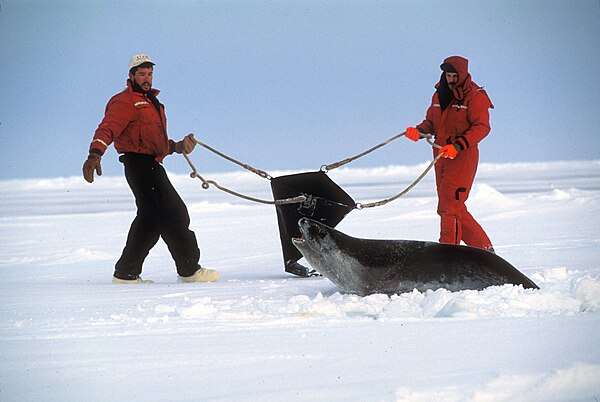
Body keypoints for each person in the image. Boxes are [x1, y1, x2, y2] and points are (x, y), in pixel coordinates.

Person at [82, 53, 219, 283]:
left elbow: (153, 142)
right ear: (131, 75)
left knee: (150, 220)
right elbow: (108, 128)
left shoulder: (151, 102)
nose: (147, 78)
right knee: (175, 213)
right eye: (142, 74)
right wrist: (95, 153)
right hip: (139, 166)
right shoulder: (125, 101)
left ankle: (126, 273)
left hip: (150, 164)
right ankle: (189, 270)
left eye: (149, 74)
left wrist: (177, 147)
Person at [405, 55, 495, 252]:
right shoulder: (439, 95)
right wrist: (419, 132)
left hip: (462, 158)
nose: (451, 79)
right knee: (454, 207)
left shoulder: (475, 96)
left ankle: (447, 254)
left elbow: (482, 127)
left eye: (454, 75)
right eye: (448, 75)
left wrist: (458, 146)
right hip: (441, 156)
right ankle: (485, 251)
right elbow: (431, 123)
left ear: (463, 75)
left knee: (449, 208)